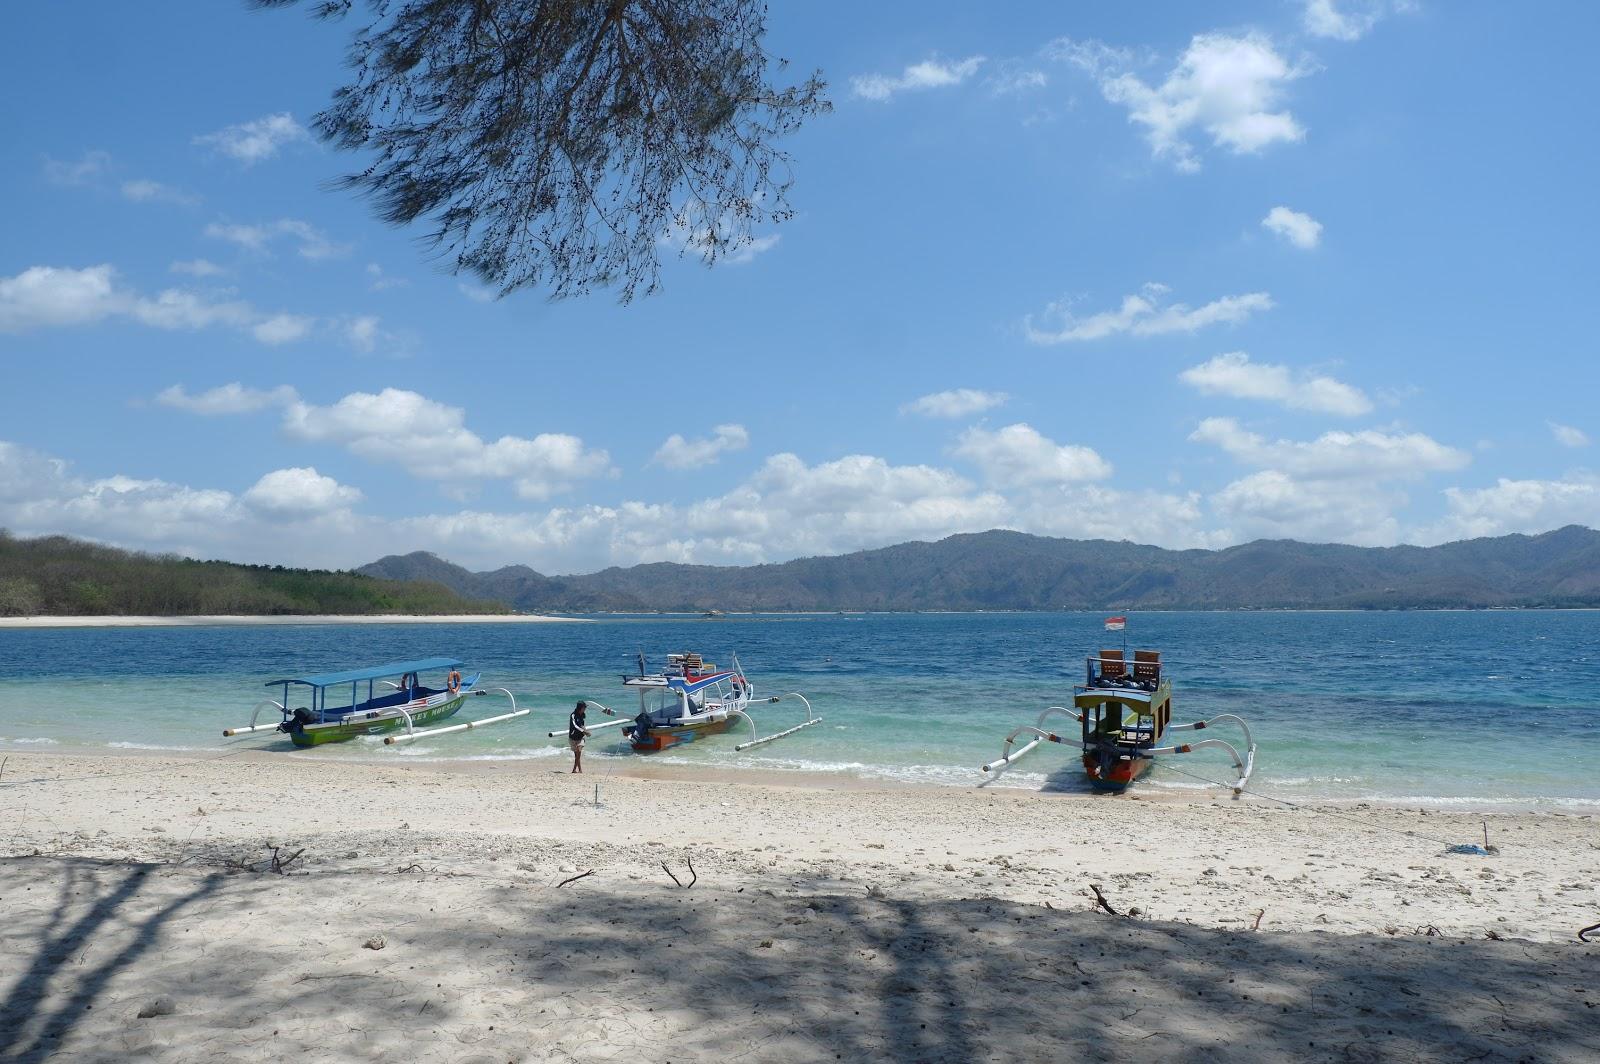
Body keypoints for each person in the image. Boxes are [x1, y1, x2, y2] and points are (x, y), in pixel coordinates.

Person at [568, 700, 591, 773]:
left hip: (580, 737)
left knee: (579, 751)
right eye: (584, 707)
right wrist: (584, 731)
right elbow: (575, 726)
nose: (585, 709)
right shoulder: (573, 715)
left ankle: (574, 769)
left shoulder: (582, 715)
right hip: (572, 738)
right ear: (580, 708)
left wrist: (585, 730)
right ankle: (580, 770)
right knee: (577, 755)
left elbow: (581, 725)